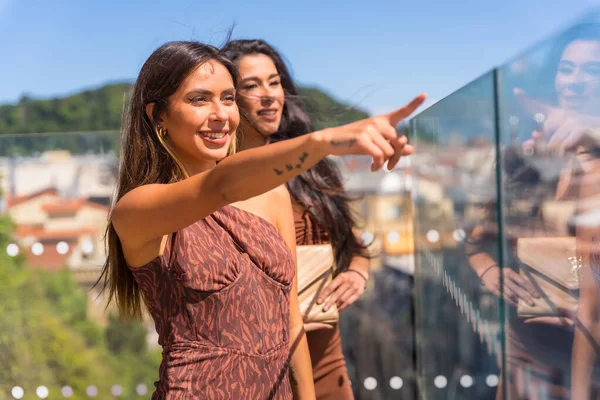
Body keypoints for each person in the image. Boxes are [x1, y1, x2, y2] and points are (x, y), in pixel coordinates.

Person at [97, 40, 425, 399]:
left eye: (227, 98)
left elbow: (291, 321)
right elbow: (220, 186)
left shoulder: (274, 195)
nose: (221, 114)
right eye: (199, 99)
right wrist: (325, 142)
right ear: (157, 114)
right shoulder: (137, 209)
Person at [221, 39, 374, 399]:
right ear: (229, 98)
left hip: (325, 357)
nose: (269, 95)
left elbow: (354, 245)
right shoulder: (219, 182)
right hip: (256, 368)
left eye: (274, 83)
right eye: (252, 86)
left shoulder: (312, 169)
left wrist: (356, 273)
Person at [468, 23, 600, 400]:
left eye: (592, 70)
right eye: (566, 68)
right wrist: (492, 271)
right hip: (526, 352)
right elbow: (475, 240)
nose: (574, 82)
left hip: (585, 364)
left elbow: (592, 310)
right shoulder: (528, 156)